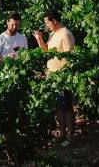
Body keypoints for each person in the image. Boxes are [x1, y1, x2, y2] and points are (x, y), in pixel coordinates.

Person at [33, 9, 75, 144]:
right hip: (53, 77)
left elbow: (71, 57)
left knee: (67, 107)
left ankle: (70, 136)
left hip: (63, 77)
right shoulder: (53, 34)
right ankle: (62, 134)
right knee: (59, 107)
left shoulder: (65, 34)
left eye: (47, 22)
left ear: (54, 21)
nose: (46, 25)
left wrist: (65, 75)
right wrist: (39, 40)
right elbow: (46, 52)